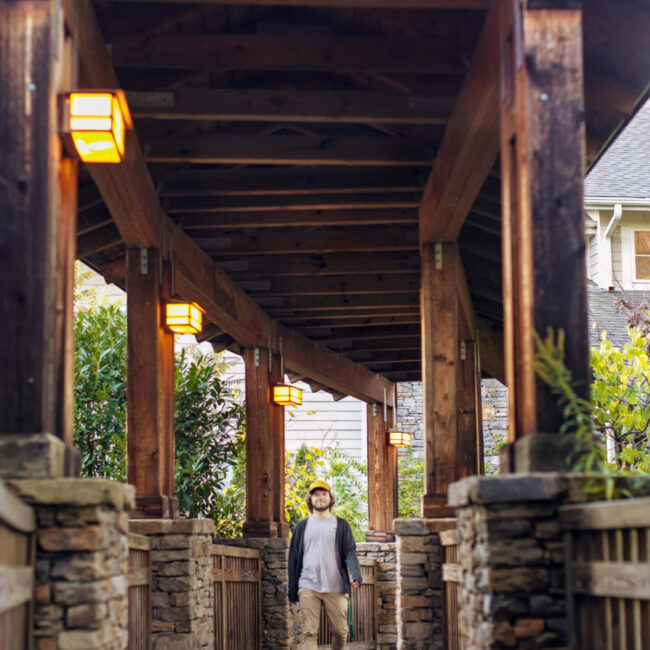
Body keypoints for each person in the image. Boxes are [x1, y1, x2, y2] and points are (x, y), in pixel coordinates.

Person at [288, 480, 362, 650]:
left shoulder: (341, 525)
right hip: (308, 585)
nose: (320, 498)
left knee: (340, 632)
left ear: (330, 498)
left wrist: (356, 574)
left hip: (335, 587)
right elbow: (293, 561)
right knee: (308, 632)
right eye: (316, 495)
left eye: (323, 494)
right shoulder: (301, 527)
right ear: (310, 499)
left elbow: (350, 552)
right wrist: (292, 591)